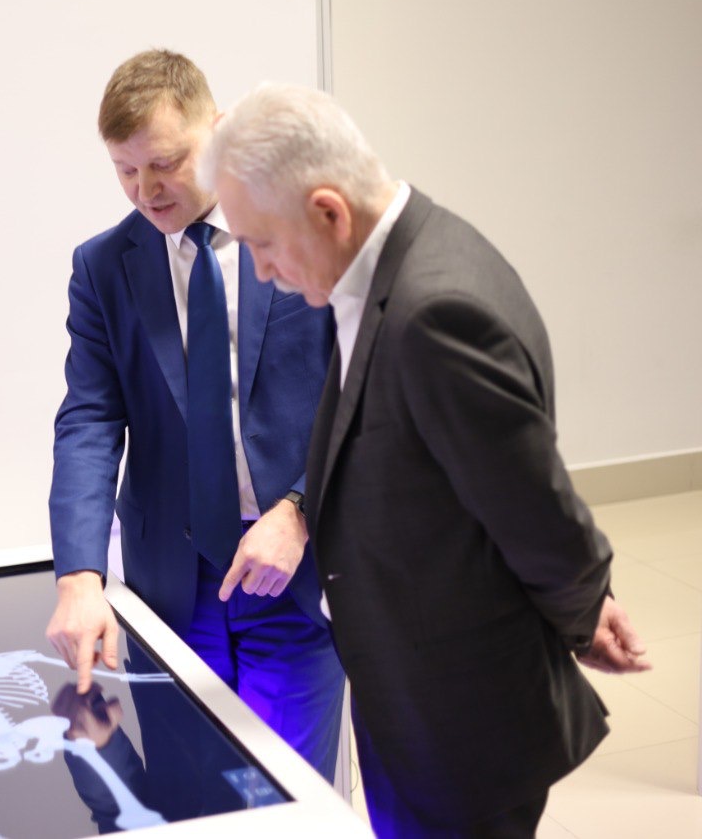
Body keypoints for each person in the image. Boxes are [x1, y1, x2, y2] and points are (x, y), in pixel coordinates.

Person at [202, 82, 651, 836]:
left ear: (328, 211)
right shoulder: (387, 265)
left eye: (262, 244)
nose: (262, 271)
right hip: (408, 683)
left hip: (456, 719)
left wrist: (583, 612)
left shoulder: (435, 313)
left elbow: (536, 509)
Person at [45, 50, 346, 783]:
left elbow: (361, 393)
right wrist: (80, 575)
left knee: (288, 791)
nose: (145, 190)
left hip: (295, 568)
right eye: (125, 170)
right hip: (176, 584)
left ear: (217, 130)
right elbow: (88, 420)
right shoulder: (103, 267)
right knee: (190, 790)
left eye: (164, 163)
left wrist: (300, 508)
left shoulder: (302, 231)